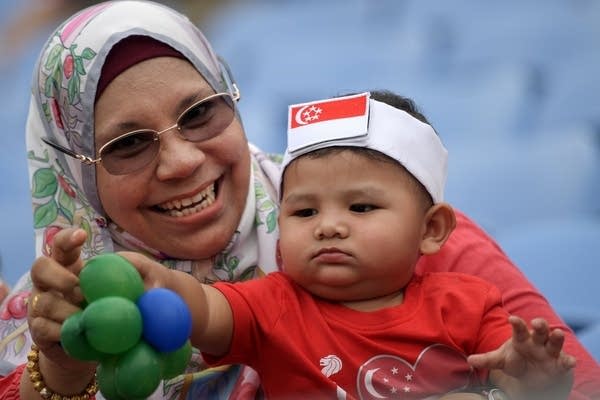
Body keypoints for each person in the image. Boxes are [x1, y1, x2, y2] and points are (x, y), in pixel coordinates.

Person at [0, 1, 597, 399]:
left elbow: (573, 381)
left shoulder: (403, 239)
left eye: (201, 112)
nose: (181, 161)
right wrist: (62, 374)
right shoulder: (54, 318)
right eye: (128, 144)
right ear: (74, 173)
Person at [123, 91, 575, 400]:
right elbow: (202, 309)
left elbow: (514, 378)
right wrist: (155, 282)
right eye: (304, 213)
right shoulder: (271, 304)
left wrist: (534, 378)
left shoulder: (470, 306)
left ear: (432, 229)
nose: (329, 227)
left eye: (360, 208)